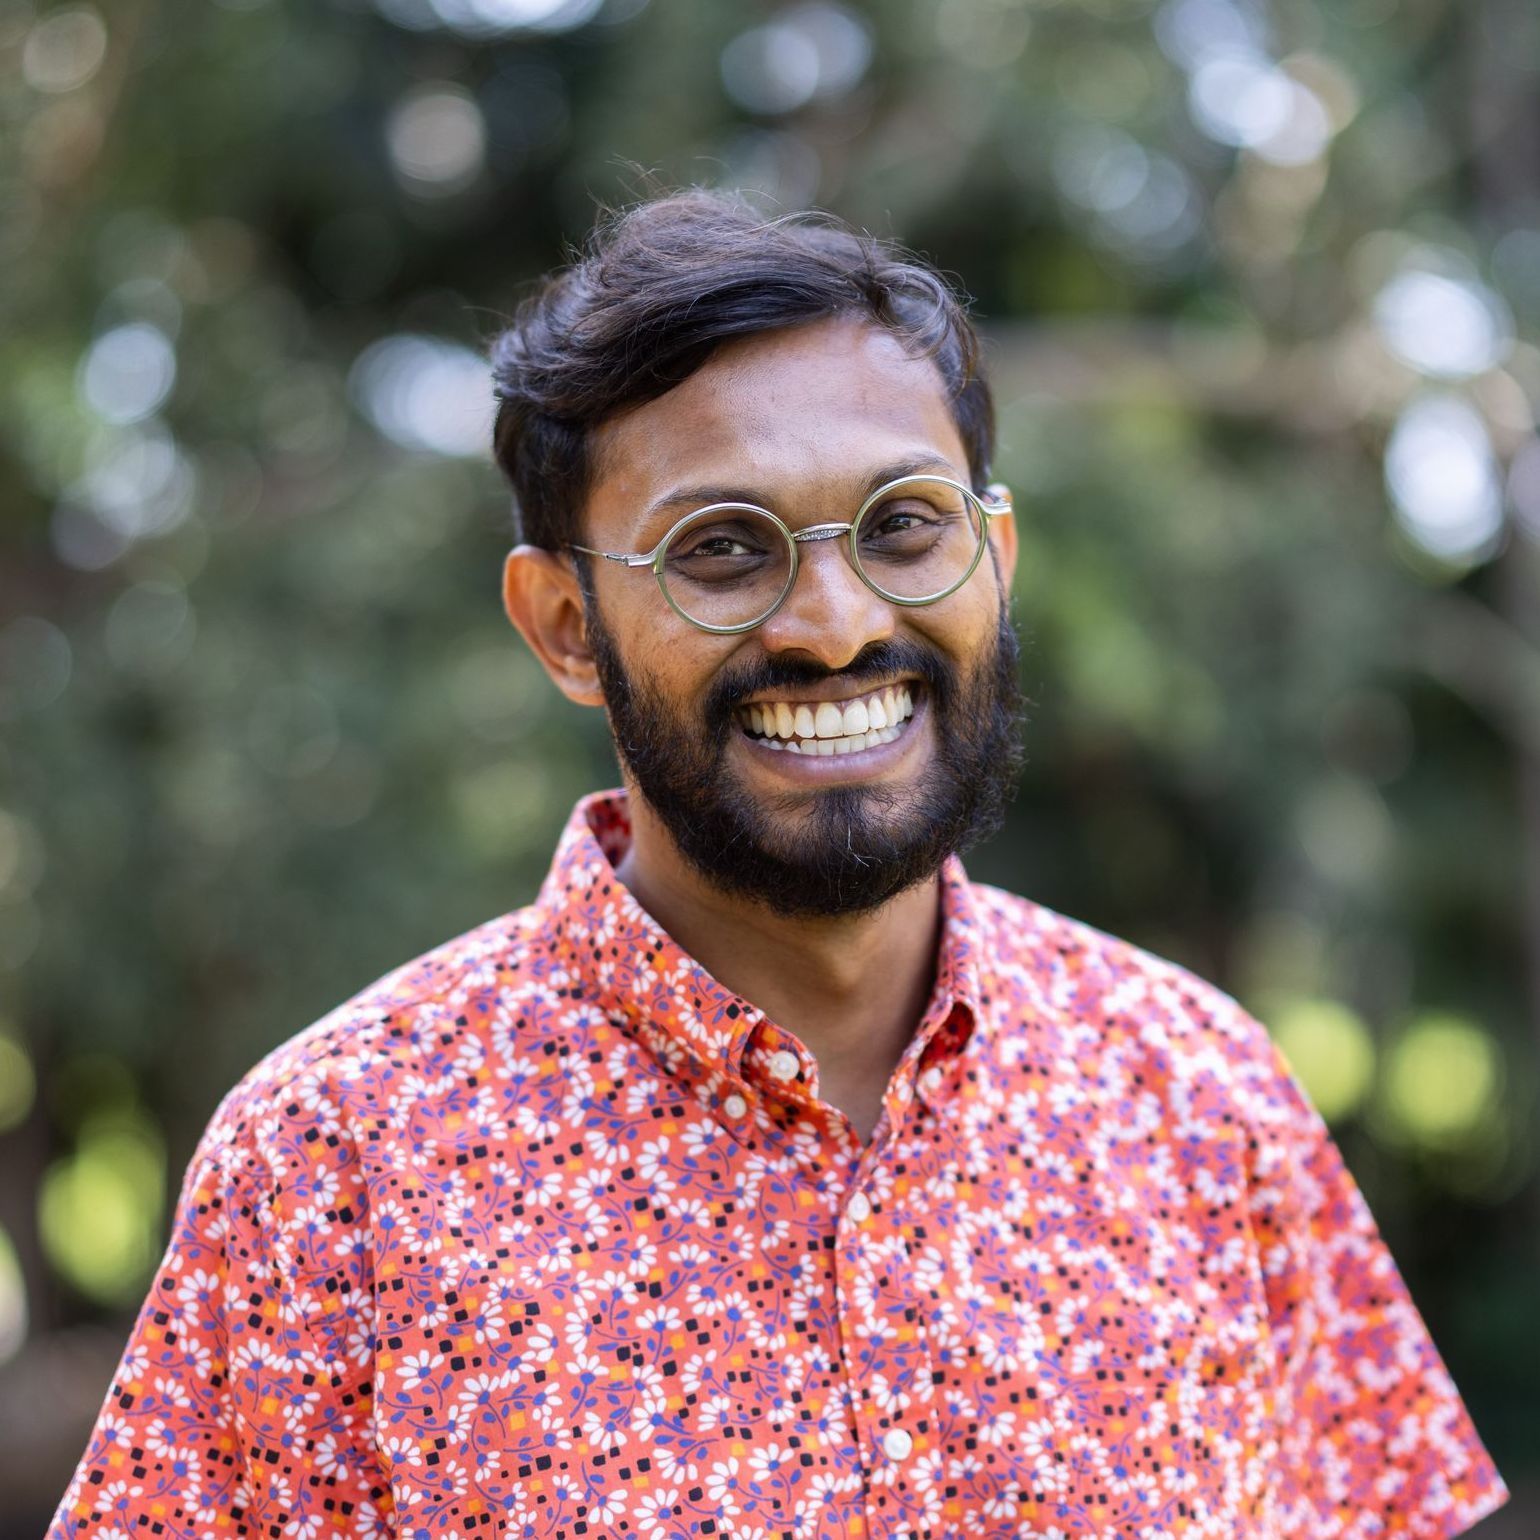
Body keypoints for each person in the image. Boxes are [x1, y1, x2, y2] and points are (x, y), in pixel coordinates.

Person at [48, 190, 1509, 1540]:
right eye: (724, 550)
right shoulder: (333, 1174)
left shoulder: (1200, 1096)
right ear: (565, 626)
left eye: (906, 526)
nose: (831, 622)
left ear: (994, 561)